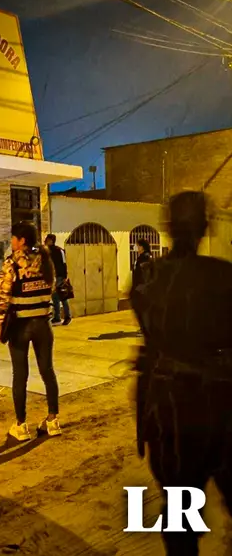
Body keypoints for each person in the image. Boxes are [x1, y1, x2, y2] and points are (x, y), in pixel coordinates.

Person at [132, 191, 232, 556]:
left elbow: (148, 345)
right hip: (221, 411)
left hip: (170, 414)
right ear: (205, 227)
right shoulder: (224, 276)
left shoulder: (148, 279)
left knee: (179, 517)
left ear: (168, 228)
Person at [0, 222, 61, 441]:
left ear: (22, 240)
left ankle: (21, 426)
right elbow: (50, 290)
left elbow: (2, 298)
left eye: (13, 238)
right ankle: (52, 421)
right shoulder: (46, 261)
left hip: (20, 326)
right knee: (47, 371)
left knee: (20, 375)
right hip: (43, 325)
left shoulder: (12, 263)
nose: (11, 241)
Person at [44, 233, 71, 326]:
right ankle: (58, 317)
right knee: (56, 297)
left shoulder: (58, 251)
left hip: (59, 276)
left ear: (51, 240)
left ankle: (67, 316)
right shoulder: (47, 250)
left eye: (47, 239)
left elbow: (64, 263)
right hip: (54, 277)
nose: (45, 241)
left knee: (62, 296)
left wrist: (64, 276)